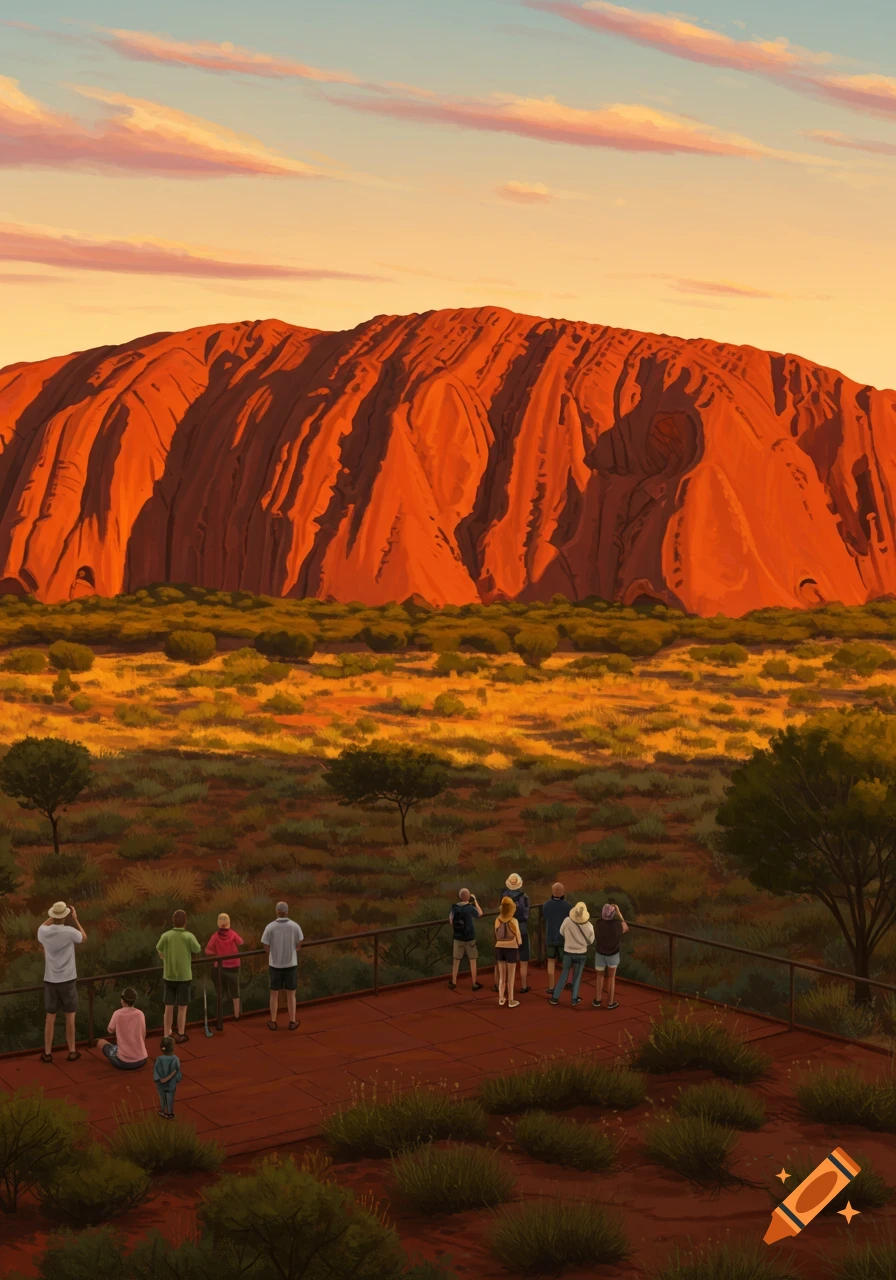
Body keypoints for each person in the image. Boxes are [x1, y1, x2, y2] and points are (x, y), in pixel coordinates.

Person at [37, 901, 86, 1064]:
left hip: (51, 980)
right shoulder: (70, 932)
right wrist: (75, 919)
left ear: (52, 915)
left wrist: (52, 917)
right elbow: (83, 938)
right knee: (70, 1018)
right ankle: (72, 1051)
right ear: (65, 915)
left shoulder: (43, 932)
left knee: (49, 1018)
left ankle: (48, 1053)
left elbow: (42, 926)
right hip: (68, 980)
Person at [156, 909, 201, 1044]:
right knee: (182, 1007)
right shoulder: (188, 936)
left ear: (173, 921)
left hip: (169, 975)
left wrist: (163, 956)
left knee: (168, 1007)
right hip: (184, 976)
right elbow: (197, 949)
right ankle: (181, 1033)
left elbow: (159, 948)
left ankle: (166, 1034)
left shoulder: (166, 936)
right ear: (185, 922)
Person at [261, 901, 304, 1031]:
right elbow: (300, 941)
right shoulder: (295, 926)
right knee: (291, 995)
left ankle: (273, 1020)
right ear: (287, 911)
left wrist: (270, 949)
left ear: (277, 911)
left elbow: (266, 946)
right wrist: (296, 947)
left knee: (274, 994)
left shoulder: (270, 927)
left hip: (275, 965)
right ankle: (292, 1020)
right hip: (291, 964)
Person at [549, 902, 594, 1006]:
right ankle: (574, 998)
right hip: (581, 953)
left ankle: (555, 997)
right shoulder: (589, 926)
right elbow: (591, 941)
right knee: (577, 977)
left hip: (568, 952)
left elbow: (561, 931)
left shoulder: (567, 921)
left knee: (564, 973)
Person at [493, 873, 531, 994]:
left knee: (501, 958)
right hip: (521, 927)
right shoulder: (524, 897)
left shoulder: (503, 896)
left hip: (504, 927)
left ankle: (498, 984)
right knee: (523, 958)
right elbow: (526, 915)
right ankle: (524, 986)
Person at [96, 987, 147, 1070]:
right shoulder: (140, 1014)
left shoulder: (117, 1014)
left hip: (124, 1062)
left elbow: (110, 1030)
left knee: (101, 1042)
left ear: (123, 1001)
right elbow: (143, 1035)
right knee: (117, 1047)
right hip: (142, 1059)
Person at [205, 913, 244, 1020]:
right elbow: (241, 942)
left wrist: (216, 952)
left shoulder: (215, 937)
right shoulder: (233, 934)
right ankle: (236, 1014)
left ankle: (220, 1017)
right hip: (234, 967)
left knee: (220, 993)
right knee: (235, 992)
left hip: (220, 967)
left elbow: (207, 951)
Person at [593, 901, 629, 1010]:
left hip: (600, 953)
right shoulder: (617, 924)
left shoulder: (598, 923)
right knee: (611, 978)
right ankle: (610, 1002)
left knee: (599, 976)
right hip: (613, 954)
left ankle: (598, 1000)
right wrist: (619, 913)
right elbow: (626, 927)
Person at [448, 888, 483, 991]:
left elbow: (451, 920)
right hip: (469, 938)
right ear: (468, 897)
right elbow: (480, 913)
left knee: (456, 960)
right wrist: (475, 901)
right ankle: (474, 983)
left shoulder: (454, 908)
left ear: (460, 897)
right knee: (472, 960)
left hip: (458, 937)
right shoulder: (470, 908)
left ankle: (453, 982)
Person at [541, 882, 572, 994]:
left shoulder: (546, 905)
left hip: (550, 937)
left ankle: (551, 986)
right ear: (563, 892)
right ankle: (566, 983)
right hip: (563, 938)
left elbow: (545, 917)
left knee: (550, 961)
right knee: (566, 962)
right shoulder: (568, 906)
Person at [494, 896, 522, 1008]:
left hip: (499, 948)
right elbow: (519, 939)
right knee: (511, 976)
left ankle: (501, 998)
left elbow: (496, 935)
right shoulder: (514, 921)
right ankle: (511, 1000)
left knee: (502, 976)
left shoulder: (497, 920)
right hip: (511, 948)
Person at [154, 1036, 182, 1120]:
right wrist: (168, 1079)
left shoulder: (159, 1059)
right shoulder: (175, 1059)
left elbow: (156, 1070)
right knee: (170, 1098)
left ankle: (163, 1110)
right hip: (171, 1083)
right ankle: (169, 1113)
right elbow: (175, 1071)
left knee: (162, 1097)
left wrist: (160, 1079)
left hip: (161, 1083)